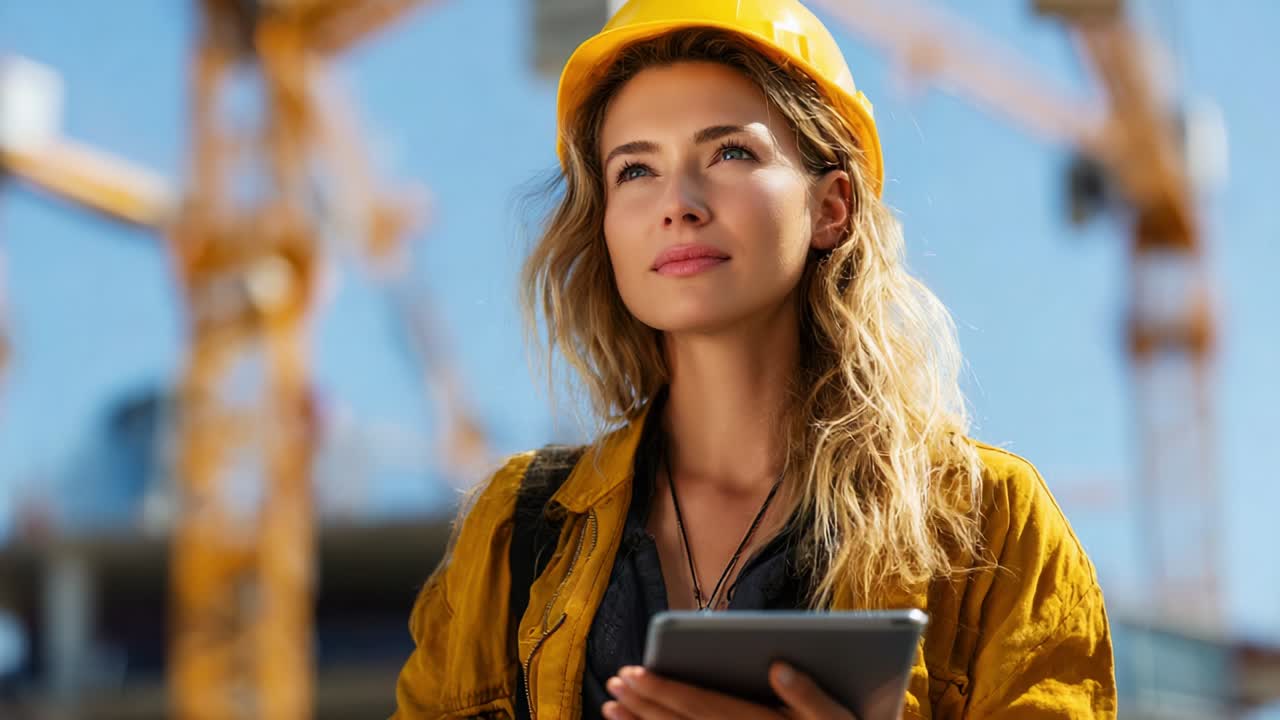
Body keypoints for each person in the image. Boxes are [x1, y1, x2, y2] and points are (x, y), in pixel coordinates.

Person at [391, 0, 1116, 718]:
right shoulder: (514, 535)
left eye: (730, 153)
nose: (678, 203)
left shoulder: (991, 528)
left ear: (832, 207)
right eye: (635, 170)